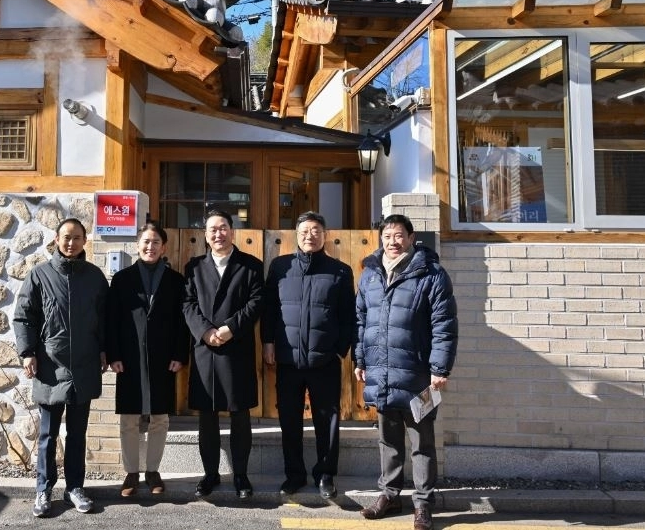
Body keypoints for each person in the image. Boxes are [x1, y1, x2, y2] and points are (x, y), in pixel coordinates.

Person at [355, 214, 457, 530]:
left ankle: (423, 504)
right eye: (387, 236)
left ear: (411, 238)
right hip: (382, 374)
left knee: (421, 442)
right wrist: (360, 359)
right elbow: (361, 321)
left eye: (399, 235)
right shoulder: (370, 275)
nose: (393, 241)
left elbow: (444, 325)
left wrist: (440, 368)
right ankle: (390, 495)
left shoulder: (431, 274)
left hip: (417, 377)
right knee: (388, 440)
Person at [14, 218, 109, 518]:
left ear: (85, 241)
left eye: (77, 238)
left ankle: (74, 488)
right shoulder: (39, 275)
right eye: (66, 237)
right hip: (50, 367)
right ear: (56, 239)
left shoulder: (95, 277)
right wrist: (28, 352)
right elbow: (24, 317)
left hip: (84, 363)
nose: (71, 243)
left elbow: (105, 319)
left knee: (78, 433)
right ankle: (43, 489)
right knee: (47, 433)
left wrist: (106, 349)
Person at [262, 211, 355, 499]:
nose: (309, 236)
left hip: (324, 361)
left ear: (324, 234)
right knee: (289, 420)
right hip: (288, 360)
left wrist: (338, 350)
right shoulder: (280, 266)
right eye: (304, 231)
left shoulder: (340, 271)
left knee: (327, 422)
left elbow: (348, 317)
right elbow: (269, 310)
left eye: (316, 230)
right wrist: (268, 342)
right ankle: (294, 475)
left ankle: (325, 475)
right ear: (296, 235)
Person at [182, 208, 264, 500]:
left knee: (240, 416)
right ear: (205, 235)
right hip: (206, 350)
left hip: (236, 348)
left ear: (233, 231)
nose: (218, 233)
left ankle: (241, 475)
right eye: (212, 229)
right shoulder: (193, 267)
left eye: (223, 228)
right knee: (207, 417)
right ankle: (210, 474)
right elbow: (188, 304)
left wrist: (230, 329)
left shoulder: (251, 266)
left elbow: (256, 303)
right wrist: (205, 331)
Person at [106, 222, 189, 498]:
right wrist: (114, 354)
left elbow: (182, 322)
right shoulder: (122, 279)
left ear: (163, 247)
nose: (150, 247)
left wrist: (180, 354)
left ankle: (153, 470)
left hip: (163, 356)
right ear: (137, 245)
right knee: (129, 417)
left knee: (159, 416)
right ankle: (131, 472)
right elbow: (112, 320)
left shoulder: (176, 281)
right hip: (128, 356)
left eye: (156, 242)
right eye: (146, 242)